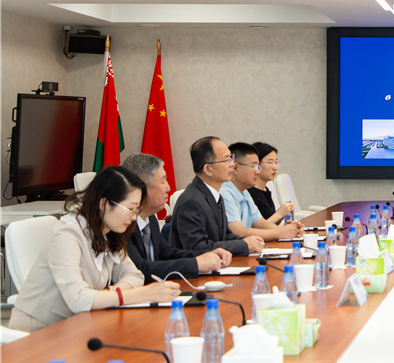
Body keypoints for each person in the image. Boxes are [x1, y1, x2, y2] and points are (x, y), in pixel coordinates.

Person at [9, 166, 181, 332]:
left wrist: (110, 293)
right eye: (130, 209)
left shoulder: (109, 232)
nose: (134, 217)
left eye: (137, 210)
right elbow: (78, 299)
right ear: (104, 204)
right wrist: (143, 294)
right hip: (39, 331)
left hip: (79, 326)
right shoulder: (67, 234)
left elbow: (134, 275)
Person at [121, 153, 232, 284]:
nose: (168, 188)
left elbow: (168, 253)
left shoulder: (150, 218)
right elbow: (140, 269)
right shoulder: (122, 224)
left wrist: (208, 254)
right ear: (142, 188)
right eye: (163, 181)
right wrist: (196, 264)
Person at [171, 136, 264, 256]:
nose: (233, 164)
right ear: (208, 169)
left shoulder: (214, 195)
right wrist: (243, 245)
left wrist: (247, 241)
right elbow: (197, 248)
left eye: (231, 158)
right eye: (227, 160)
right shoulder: (192, 201)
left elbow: (225, 236)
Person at [221, 142, 302, 242]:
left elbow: (261, 224)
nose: (257, 172)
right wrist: (281, 232)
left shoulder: (244, 192)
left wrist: (290, 230)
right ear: (235, 167)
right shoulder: (225, 192)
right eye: (253, 166)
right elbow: (238, 232)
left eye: (258, 167)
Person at [247, 141, 295, 223]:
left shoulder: (265, 189)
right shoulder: (249, 192)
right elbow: (259, 228)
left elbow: (271, 223)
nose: (275, 167)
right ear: (257, 164)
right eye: (270, 162)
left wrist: (284, 213)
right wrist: (279, 213)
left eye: (276, 163)